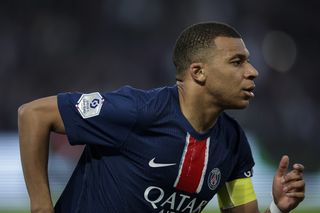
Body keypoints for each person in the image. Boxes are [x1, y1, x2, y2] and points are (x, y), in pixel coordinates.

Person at [18, 22, 305, 213]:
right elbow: (33, 115)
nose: (253, 71)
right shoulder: (137, 111)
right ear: (198, 72)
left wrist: (277, 208)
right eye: (237, 62)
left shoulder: (233, 143)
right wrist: (42, 207)